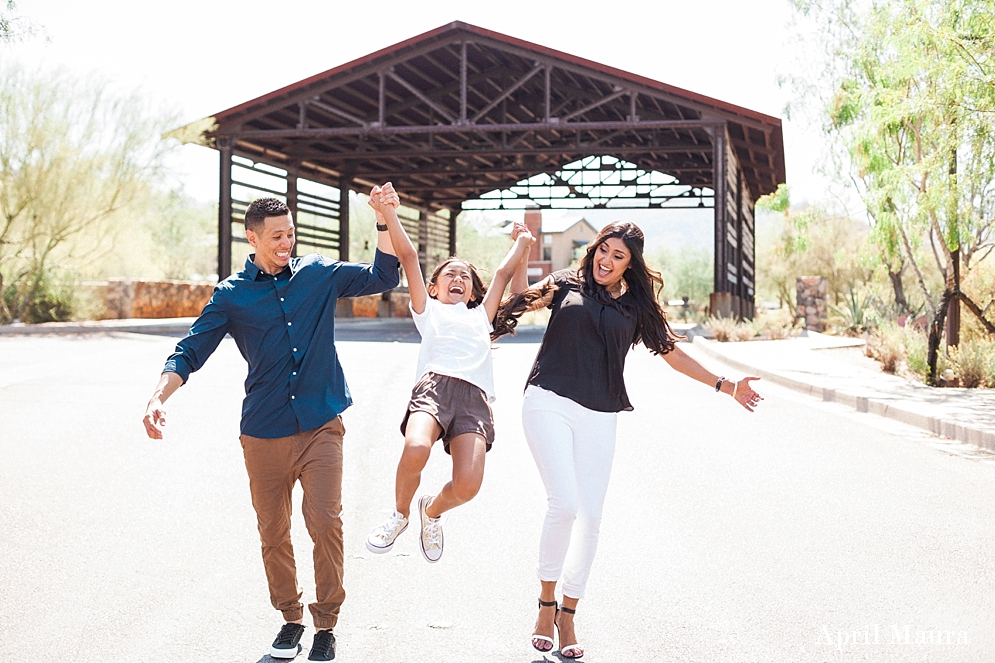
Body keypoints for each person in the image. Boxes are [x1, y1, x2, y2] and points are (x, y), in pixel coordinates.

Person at [141, 194, 401, 662]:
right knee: (273, 532)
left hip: (322, 423)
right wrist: (159, 395)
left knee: (325, 522)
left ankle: (325, 623)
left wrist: (383, 220)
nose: (287, 242)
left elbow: (384, 275)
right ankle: (290, 617)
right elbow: (190, 350)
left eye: (290, 233)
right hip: (264, 431)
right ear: (253, 237)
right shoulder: (232, 294)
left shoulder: (318, 274)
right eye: (277, 236)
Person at [503, 221, 763, 658]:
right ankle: (545, 605)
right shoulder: (568, 282)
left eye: (617, 256)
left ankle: (568, 614)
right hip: (547, 398)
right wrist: (522, 250)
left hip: (600, 411)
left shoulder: (637, 305)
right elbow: (520, 298)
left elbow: (672, 353)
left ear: (630, 264)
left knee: (590, 518)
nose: (605, 260)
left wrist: (726, 384)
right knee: (564, 503)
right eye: (602, 250)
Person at [364, 184, 535, 563]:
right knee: (416, 446)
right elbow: (408, 256)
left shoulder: (480, 316)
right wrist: (389, 211)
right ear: (434, 287)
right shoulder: (429, 311)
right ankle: (400, 514)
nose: (457, 279)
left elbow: (505, 272)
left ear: (473, 290)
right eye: (449, 275)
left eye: (465, 277)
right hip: (435, 387)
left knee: (468, 485)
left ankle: (431, 511)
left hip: (475, 398)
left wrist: (522, 240)